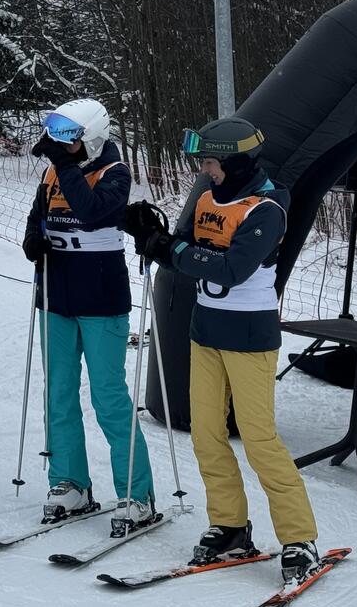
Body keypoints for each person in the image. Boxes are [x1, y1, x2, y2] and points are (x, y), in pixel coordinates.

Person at [124, 115, 321, 582]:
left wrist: (171, 252)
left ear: (233, 162)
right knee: (206, 433)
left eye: (210, 161)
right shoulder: (209, 198)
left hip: (250, 338)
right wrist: (154, 239)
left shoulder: (268, 208)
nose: (205, 170)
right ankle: (230, 526)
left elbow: (230, 269)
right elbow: (190, 246)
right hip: (205, 331)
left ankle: (300, 538)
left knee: (259, 439)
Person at [24, 99, 156, 534]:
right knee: (58, 392)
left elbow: (92, 210)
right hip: (56, 294)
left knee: (108, 398)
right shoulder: (52, 172)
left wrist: (62, 165)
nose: (61, 145)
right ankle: (70, 482)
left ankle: (137, 494)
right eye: (58, 136)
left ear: (93, 138)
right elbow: (38, 215)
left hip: (100, 297)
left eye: (70, 137)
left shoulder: (116, 174)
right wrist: (33, 240)